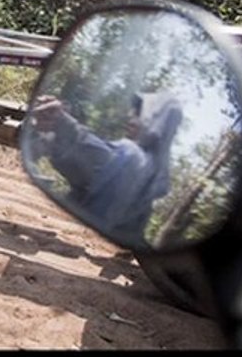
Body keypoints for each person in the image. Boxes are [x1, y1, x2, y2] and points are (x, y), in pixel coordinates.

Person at [29, 91, 183, 246]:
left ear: (156, 121)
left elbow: (98, 161)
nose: (130, 117)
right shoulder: (152, 174)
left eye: (138, 113)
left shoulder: (133, 158)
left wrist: (62, 123)